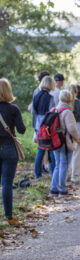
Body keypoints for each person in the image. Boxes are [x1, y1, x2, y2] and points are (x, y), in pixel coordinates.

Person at [0, 78, 26, 225]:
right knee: (7, 184)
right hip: (9, 148)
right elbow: (21, 130)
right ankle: (9, 217)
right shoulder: (13, 109)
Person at [49, 90, 79, 197]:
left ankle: (53, 189)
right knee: (64, 166)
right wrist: (77, 138)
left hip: (55, 142)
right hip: (65, 142)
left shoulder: (54, 109)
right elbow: (71, 128)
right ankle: (62, 190)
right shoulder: (67, 112)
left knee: (58, 165)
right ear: (70, 99)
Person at [32, 76, 55, 179]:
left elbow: (33, 112)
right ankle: (53, 172)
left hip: (38, 126)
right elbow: (52, 112)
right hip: (48, 127)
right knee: (52, 150)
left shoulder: (36, 96)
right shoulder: (50, 98)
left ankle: (37, 174)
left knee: (40, 151)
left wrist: (35, 128)